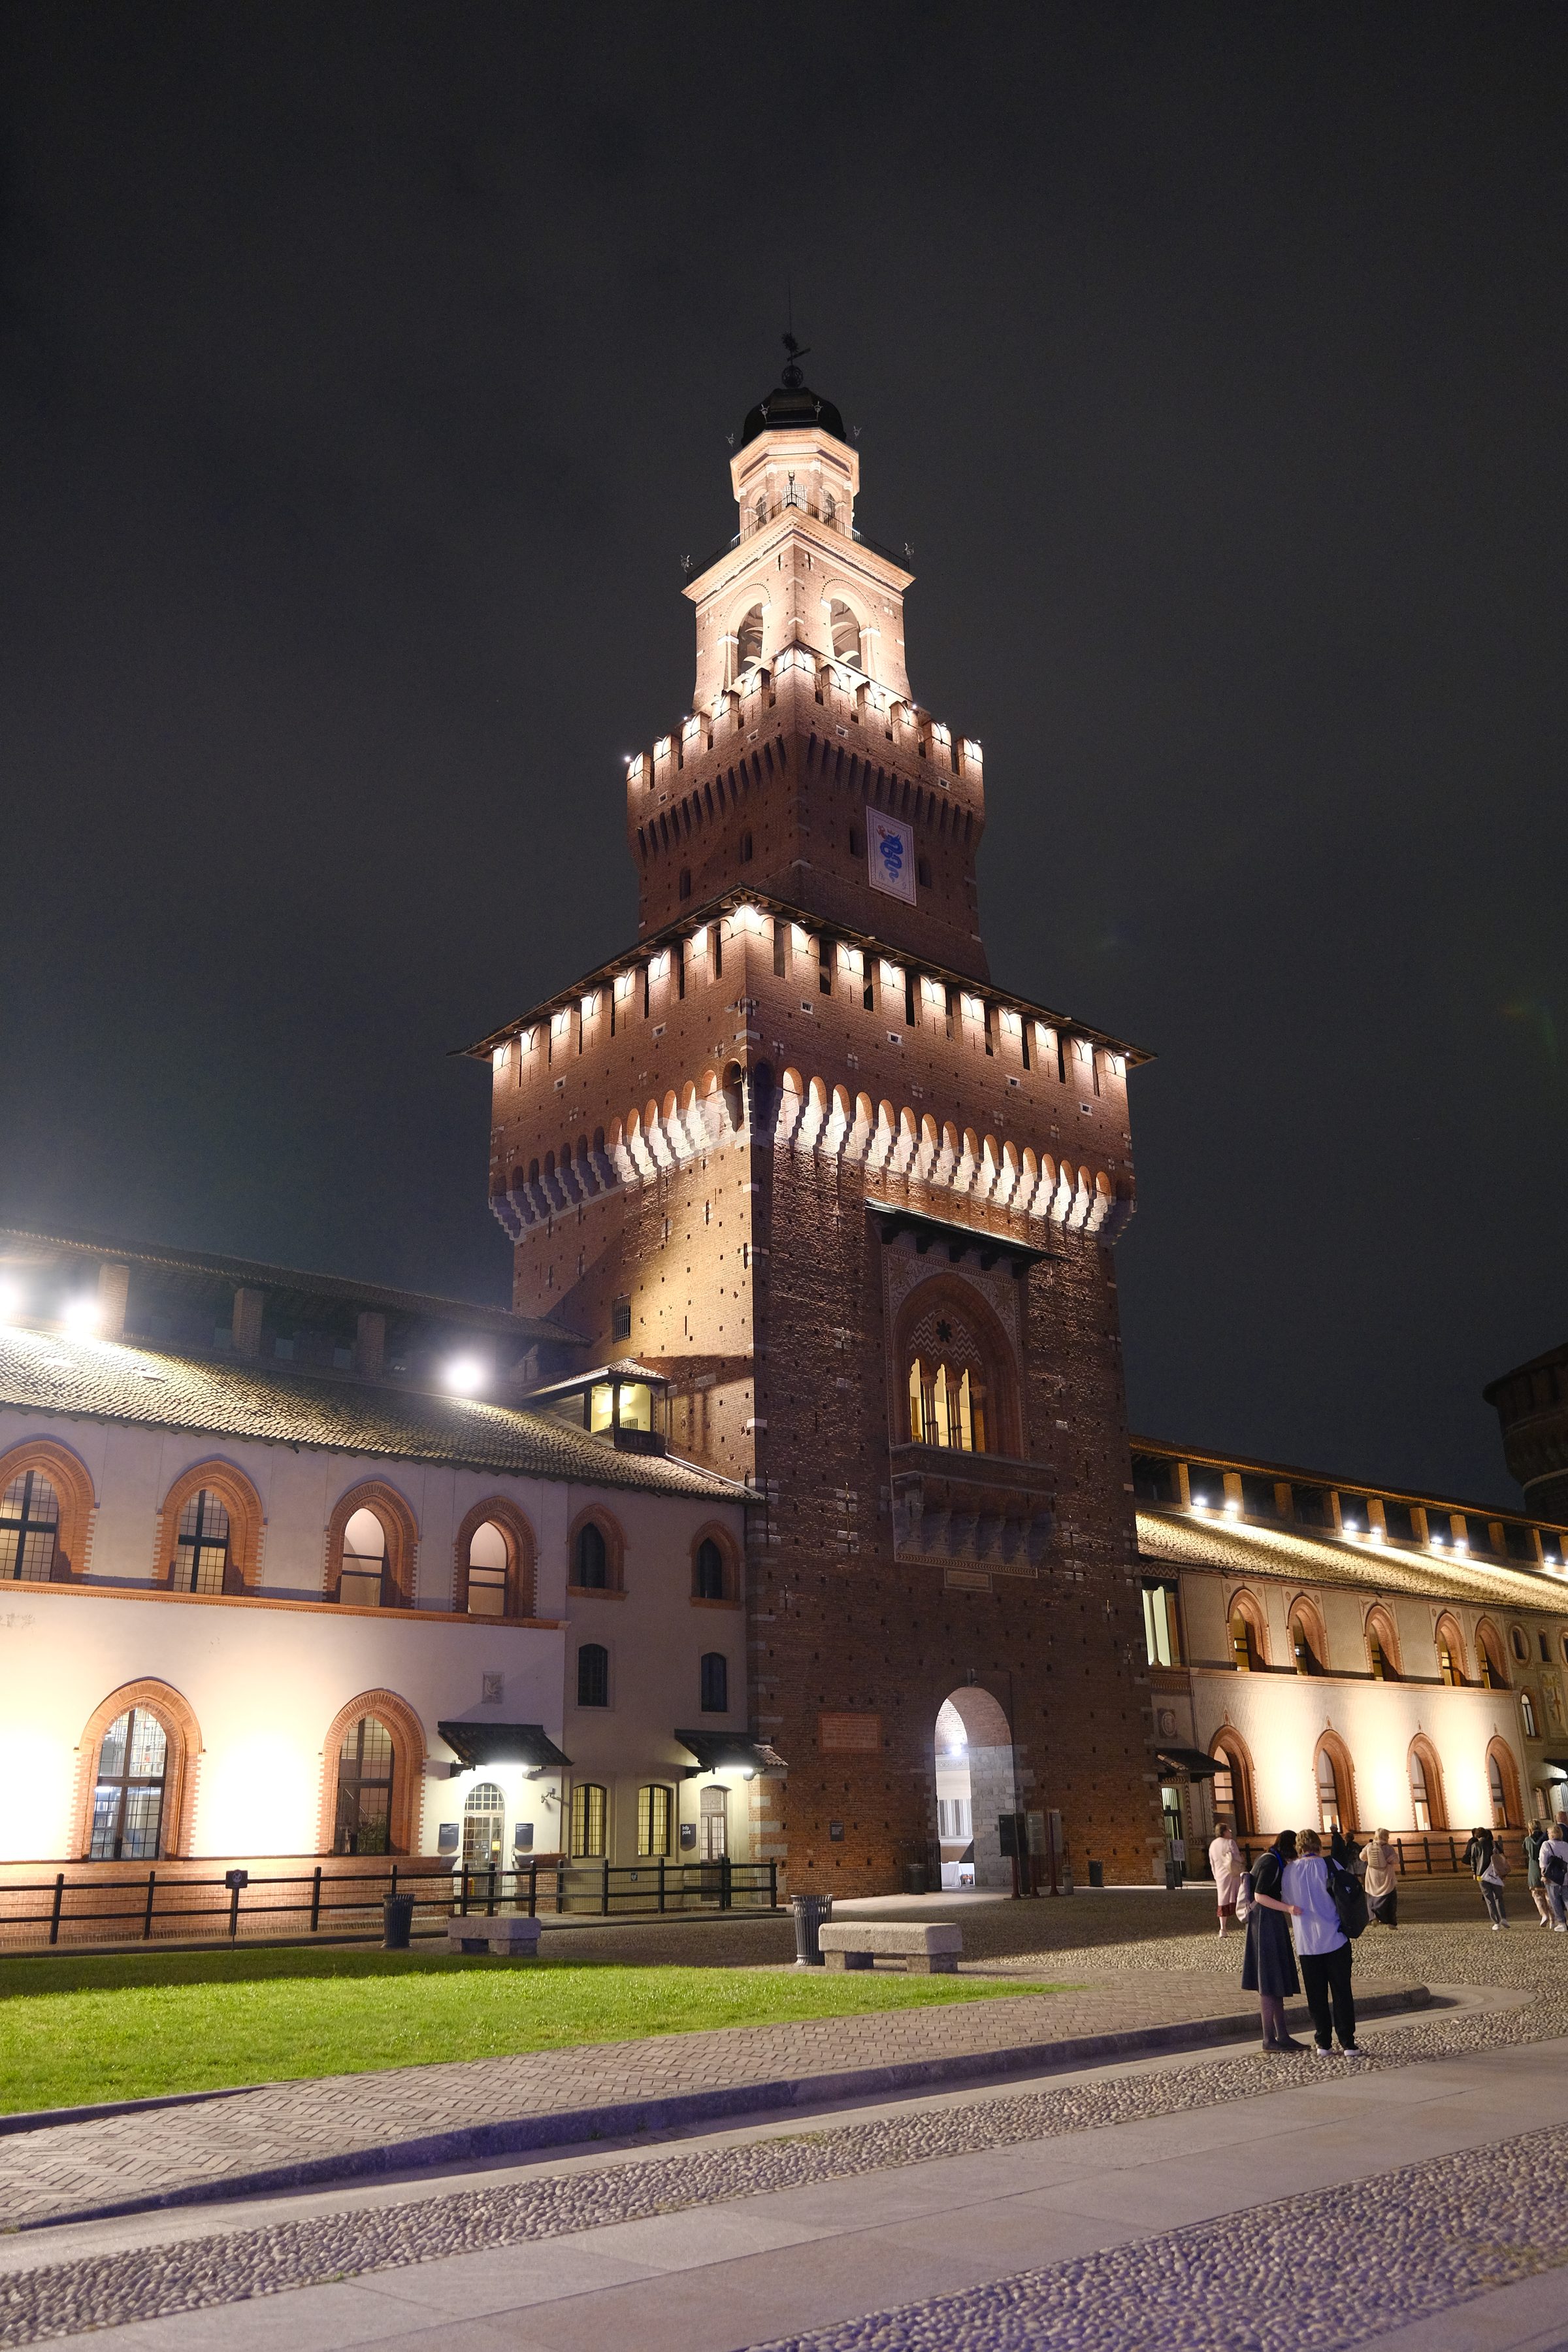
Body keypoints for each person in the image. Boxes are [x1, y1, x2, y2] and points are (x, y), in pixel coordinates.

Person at [1283, 1827, 1364, 2056]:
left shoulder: (1289, 1872)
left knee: (1316, 1994)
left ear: (1299, 1849)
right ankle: (1348, 2042)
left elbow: (1287, 1899)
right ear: (1318, 1845)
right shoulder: (1330, 1866)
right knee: (1342, 1991)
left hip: (1307, 1942)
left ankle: (1323, 2042)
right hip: (1335, 1937)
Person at [1242, 1827, 1305, 2052]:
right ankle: (1269, 2038)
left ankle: (1282, 2035)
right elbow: (1260, 1895)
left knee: (1275, 1981)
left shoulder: (1272, 1859)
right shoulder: (1270, 1862)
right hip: (1265, 1923)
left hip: (1270, 1922)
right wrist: (1288, 1908)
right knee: (1269, 1982)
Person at [1209, 1818, 1246, 1938]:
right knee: (1241, 1896)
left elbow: (1212, 1863)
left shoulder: (1213, 1845)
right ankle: (1247, 1923)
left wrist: (1216, 1876)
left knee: (1222, 1901)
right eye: (1229, 1830)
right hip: (1232, 1875)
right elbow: (1237, 1858)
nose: (1231, 1832)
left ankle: (1223, 1928)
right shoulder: (1230, 1843)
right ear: (1224, 1832)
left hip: (1220, 1876)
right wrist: (1242, 1859)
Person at [1362, 1829, 1399, 1929]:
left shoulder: (1369, 1846)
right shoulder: (1388, 1848)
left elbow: (1362, 1857)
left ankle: (1373, 1917)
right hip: (1386, 1875)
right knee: (1390, 1899)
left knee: (1371, 1897)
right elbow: (1395, 1860)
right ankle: (1391, 1922)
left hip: (1372, 1876)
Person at [1541, 1818, 1568, 1931]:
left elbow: (1543, 1861)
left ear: (1551, 1834)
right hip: (1565, 1876)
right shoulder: (1566, 1845)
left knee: (1555, 1899)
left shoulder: (1546, 1845)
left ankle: (1562, 1923)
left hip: (1552, 1877)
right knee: (1567, 1898)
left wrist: (1543, 1874)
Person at [1478, 1836, 1509, 1929]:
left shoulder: (1476, 1845)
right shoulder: (1494, 1844)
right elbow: (1503, 1856)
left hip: (1482, 1874)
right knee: (1499, 1897)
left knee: (1489, 1899)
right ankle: (1503, 1918)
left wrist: (1474, 1872)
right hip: (1496, 1873)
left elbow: (1472, 1859)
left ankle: (1496, 1922)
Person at [1524, 1823, 1551, 1927]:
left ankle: (1544, 1915)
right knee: (1549, 1895)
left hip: (1534, 1868)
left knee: (1537, 1894)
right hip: (1547, 1867)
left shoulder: (1528, 1840)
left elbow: (1525, 1851)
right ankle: (1553, 1919)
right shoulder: (1546, 1837)